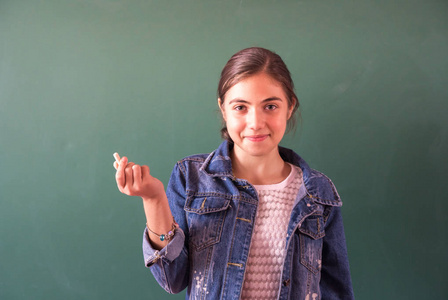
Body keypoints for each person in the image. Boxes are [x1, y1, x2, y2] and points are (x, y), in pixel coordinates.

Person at [114, 47, 354, 300]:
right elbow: (172, 279)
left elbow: (335, 289)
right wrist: (153, 199)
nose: (256, 122)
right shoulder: (191, 178)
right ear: (223, 108)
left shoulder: (318, 192)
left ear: (290, 107)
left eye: (270, 106)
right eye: (241, 107)